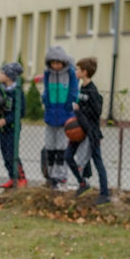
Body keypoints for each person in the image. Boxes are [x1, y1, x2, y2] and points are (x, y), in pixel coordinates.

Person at [66, 56, 110, 205]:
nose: (76, 71)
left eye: (78, 69)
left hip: (91, 133)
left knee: (98, 162)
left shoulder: (92, 90)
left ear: (84, 72)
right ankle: (83, 183)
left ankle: (105, 194)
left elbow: (96, 112)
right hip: (80, 131)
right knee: (68, 155)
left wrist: (79, 110)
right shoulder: (81, 87)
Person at [41, 45, 78, 189]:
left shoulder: (70, 74)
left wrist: (69, 106)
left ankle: (61, 176)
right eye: (53, 63)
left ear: (63, 62)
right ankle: (50, 176)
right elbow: (46, 90)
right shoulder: (48, 74)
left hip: (65, 116)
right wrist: (46, 102)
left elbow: (74, 91)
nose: (55, 66)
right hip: (51, 115)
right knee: (50, 146)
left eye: (58, 63)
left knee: (61, 148)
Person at [0, 62, 27, 189]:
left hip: (12, 129)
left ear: (10, 76)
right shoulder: (0, 90)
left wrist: (6, 120)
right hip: (2, 129)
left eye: (2, 73)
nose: (0, 75)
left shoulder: (17, 92)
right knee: (5, 154)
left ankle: (21, 178)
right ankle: (12, 178)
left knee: (12, 154)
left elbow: (20, 111)